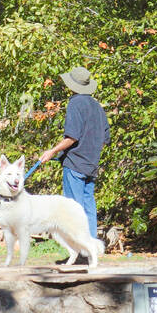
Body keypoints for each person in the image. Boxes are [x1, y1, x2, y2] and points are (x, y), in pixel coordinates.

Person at [37, 66, 109, 239]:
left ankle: (79, 247)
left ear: (72, 86)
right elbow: (105, 138)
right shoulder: (97, 106)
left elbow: (72, 137)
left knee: (73, 209)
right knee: (88, 206)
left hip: (75, 165)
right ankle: (91, 247)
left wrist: (51, 152)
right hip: (91, 165)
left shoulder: (75, 103)